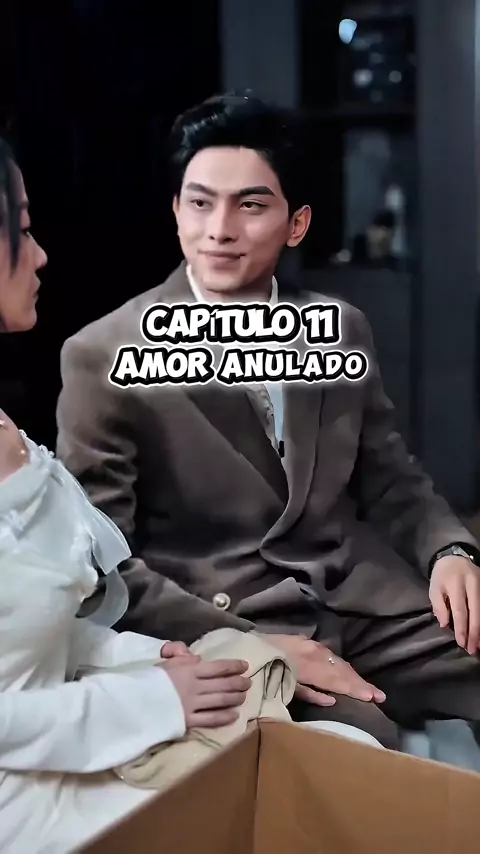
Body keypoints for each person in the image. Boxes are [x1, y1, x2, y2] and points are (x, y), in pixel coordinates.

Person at [57, 93, 480, 752]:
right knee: (361, 746)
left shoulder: (338, 330)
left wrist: (449, 550)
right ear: (176, 212)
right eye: (200, 203)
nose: (219, 229)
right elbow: (104, 565)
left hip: (358, 595)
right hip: (228, 615)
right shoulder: (105, 354)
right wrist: (250, 643)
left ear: (297, 223)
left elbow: (391, 477)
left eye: (250, 206)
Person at [0, 138, 250, 853]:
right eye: (21, 229)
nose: (40, 254)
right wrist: (147, 697)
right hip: (23, 795)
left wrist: (143, 657)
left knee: (329, 750)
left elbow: (24, 634)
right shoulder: (106, 352)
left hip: (76, 730)